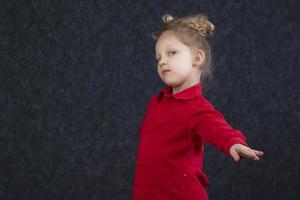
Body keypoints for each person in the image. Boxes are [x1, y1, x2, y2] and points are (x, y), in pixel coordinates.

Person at [132, 13, 264, 200]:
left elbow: (217, 127)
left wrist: (233, 142)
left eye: (172, 53)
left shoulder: (196, 107)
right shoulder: (157, 102)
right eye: (158, 57)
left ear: (197, 58)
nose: (162, 61)